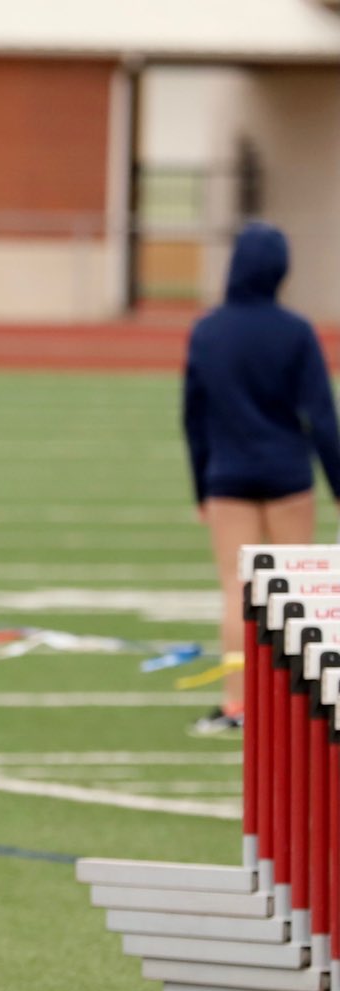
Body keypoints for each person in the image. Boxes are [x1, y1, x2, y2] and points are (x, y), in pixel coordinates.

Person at [182, 220, 340, 737]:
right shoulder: (296, 331)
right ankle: (305, 707)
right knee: (296, 591)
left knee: (236, 590)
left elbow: (193, 416)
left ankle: (236, 704)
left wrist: (201, 485)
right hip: (288, 475)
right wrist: (337, 484)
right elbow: (321, 414)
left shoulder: (208, 330)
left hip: (228, 474)